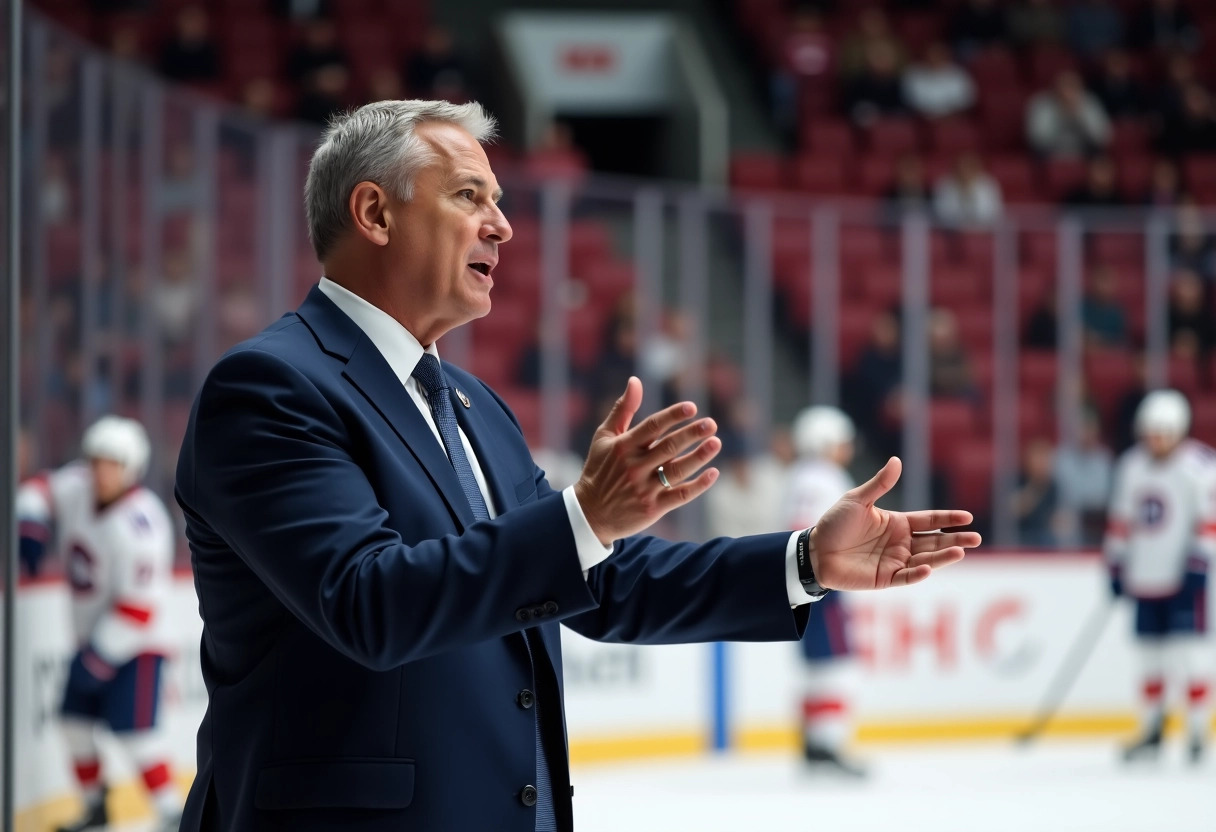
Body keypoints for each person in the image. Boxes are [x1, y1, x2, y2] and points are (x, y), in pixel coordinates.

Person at [173, 99, 980, 832]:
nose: (503, 226)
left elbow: (604, 581)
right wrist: (584, 517)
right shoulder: (271, 387)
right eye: (468, 197)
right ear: (376, 212)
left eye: (499, 200)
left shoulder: (472, 404)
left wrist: (804, 561)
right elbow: (369, 602)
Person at [16, 417, 181, 832]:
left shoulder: (143, 524)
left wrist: (98, 658)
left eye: (113, 464)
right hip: (91, 639)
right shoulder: (77, 485)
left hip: (137, 645)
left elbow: (139, 608)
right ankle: (95, 806)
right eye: (97, 461)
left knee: (137, 735)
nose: (101, 472)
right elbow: (37, 488)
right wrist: (30, 525)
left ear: (132, 468)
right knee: (73, 727)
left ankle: (171, 812)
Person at [1104, 390, 1215, 763]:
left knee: (1190, 657)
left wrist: (1199, 564)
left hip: (1184, 578)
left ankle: (1197, 731)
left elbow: (1208, 523)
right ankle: (1152, 729)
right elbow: (1121, 521)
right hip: (1145, 576)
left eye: (1164, 432)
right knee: (1148, 658)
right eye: (1151, 432)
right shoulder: (1131, 466)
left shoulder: (1199, 467)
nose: (1156, 440)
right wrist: (1116, 564)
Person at [784, 406, 867, 777]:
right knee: (837, 665)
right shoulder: (829, 477)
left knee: (816, 664)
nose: (847, 448)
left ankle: (813, 743)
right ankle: (829, 743)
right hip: (826, 582)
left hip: (796, 580)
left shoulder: (796, 476)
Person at [1026, 71, 1112, 158]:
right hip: (1050, 155)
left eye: (1073, 88)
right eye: (1065, 88)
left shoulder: (1090, 102)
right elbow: (1038, 141)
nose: (1068, 94)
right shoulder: (1042, 104)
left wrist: (1079, 116)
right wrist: (1060, 115)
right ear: (1056, 89)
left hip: (1084, 155)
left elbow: (1102, 139)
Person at [901, 42, 975, 120]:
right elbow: (912, 103)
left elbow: (966, 101)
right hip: (923, 120)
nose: (935, 58)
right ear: (925, 56)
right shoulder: (914, 74)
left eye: (939, 55)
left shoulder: (958, 74)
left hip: (953, 120)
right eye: (932, 55)